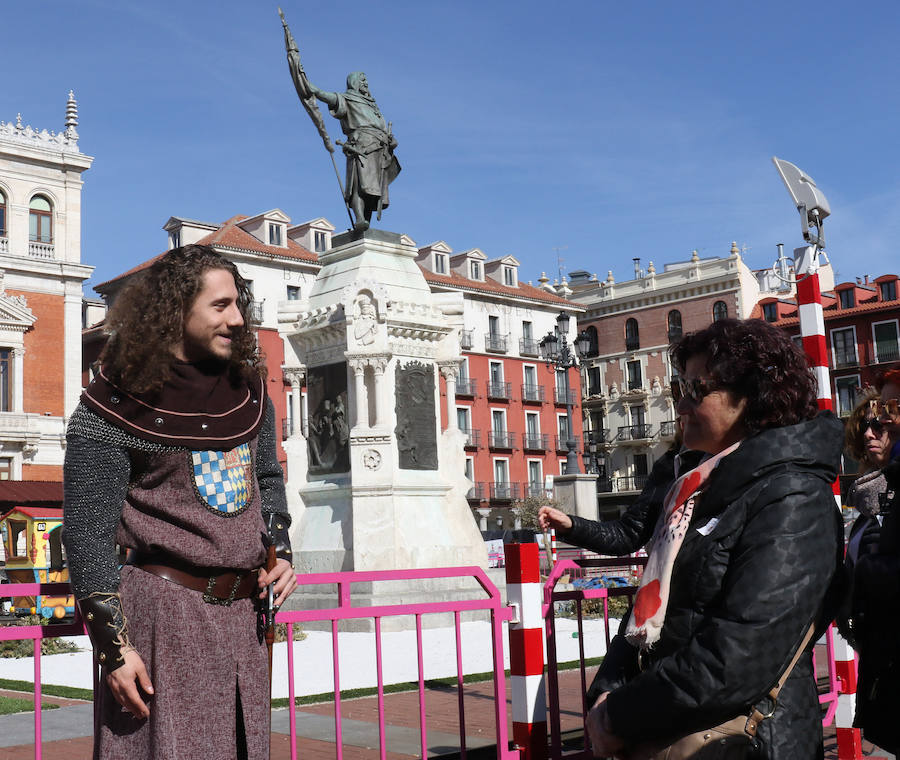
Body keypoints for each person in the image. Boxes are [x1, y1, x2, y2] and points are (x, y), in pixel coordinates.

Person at [63, 245, 297, 760]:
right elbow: (87, 532)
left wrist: (281, 549)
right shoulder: (115, 400)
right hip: (161, 617)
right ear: (175, 312)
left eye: (239, 304)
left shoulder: (249, 389)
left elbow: (266, 477)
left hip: (244, 618)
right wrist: (114, 648)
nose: (237, 319)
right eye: (220, 306)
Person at [585, 318, 843, 760]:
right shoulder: (701, 488)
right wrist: (607, 691)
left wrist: (620, 715)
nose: (680, 407)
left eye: (695, 390)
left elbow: (742, 650)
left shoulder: (793, 497)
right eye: (677, 391)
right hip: (672, 726)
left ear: (754, 396)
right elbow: (654, 610)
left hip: (748, 741)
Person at [851, 368, 900, 754]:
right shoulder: (862, 499)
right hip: (876, 653)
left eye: (880, 424)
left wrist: (866, 568)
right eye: (864, 425)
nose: (871, 431)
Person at [306, 71, 400, 231]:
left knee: (374, 190)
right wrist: (308, 86)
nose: (366, 84)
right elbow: (325, 95)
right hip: (361, 146)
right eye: (363, 80)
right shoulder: (347, 98)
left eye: (367, 81)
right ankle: (359, 219)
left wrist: (391, 141)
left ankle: (366, 223)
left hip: (380, 149)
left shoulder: (372, 105)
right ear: (354, 82)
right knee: (359, 185)